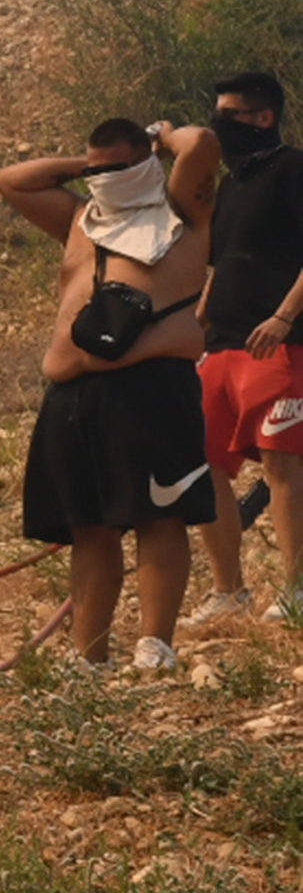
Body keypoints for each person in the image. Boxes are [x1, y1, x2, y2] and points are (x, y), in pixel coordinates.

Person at [0, 117, 219, 668]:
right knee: (90, 527)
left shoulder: (180, 214)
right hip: (72, 395)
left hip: (149, 388)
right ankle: (89, 657)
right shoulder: (81, 218)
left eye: (120, 167)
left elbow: (201, 144)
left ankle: (155, 644)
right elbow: (13, 181)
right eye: (98, 171)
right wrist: (90, 168)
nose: (108, 179)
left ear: (147, 161)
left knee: (159, 516)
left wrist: (162, 138)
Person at [197, 70, 303, 614]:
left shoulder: (293, 169)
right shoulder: (231, 183)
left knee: (281, 463)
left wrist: (285, 316)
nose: (219, 124)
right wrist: (199, 318)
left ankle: (296, 590)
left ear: (264, 117)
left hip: (278, 343)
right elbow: (221, 261)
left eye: (229, 114)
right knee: (206, 464)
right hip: (221, 345)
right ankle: (229, 591)